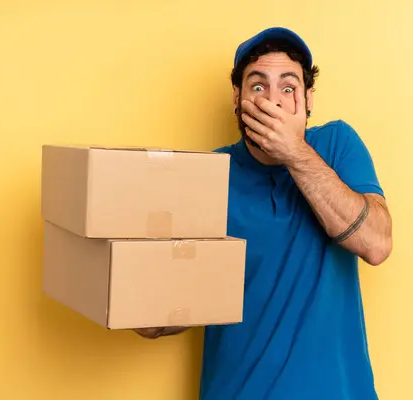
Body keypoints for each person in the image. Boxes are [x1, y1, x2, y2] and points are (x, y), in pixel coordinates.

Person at [135, 27, 393, 399]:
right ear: (237, 99)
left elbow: (377, 243)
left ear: (308, 101)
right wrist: (144, 309)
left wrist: (293, 151)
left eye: (288, 88)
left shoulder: (337, 145)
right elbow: (178, 306)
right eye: (258, 87)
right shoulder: (207, 175)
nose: (272, 101)